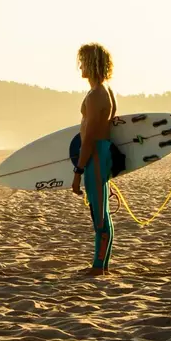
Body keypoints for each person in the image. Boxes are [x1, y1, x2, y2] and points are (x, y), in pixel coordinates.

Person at [71, 43, 117, 275]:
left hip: (96, 156)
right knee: (101, 211)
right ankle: (101, 265)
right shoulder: (105, 90)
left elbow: (89, 138)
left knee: (98, 213)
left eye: (83, 61)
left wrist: (78, 172)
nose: (80, 65)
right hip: (102, 153)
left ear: (91, 63)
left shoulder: (97, 94)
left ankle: (99, 268)